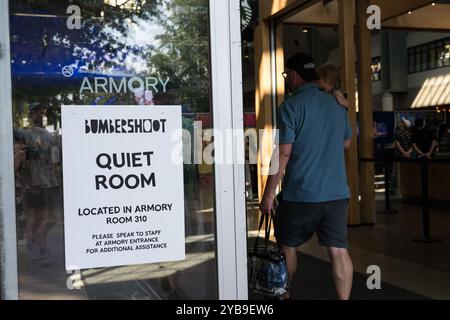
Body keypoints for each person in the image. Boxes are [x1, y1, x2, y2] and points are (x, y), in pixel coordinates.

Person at [260, 52, 354, 300]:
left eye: (286, 76)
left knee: (288, 247)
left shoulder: (290, 106)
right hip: (336, 194)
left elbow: (283, 154)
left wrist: (268, 195)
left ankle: (286, 295)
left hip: (301, 194)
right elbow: (346, 143)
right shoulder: (336, 104)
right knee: (339, 251)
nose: (286, 80)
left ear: (293, 75)